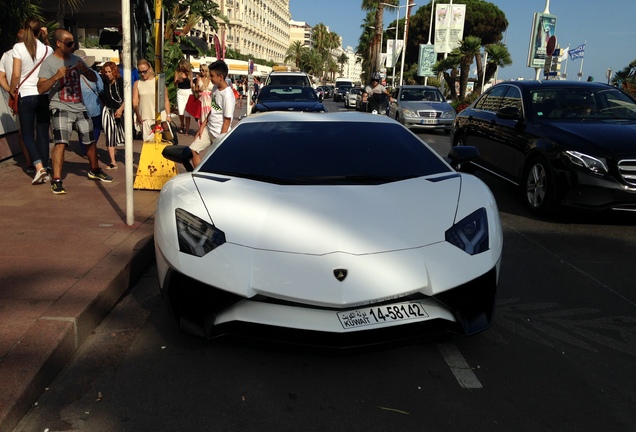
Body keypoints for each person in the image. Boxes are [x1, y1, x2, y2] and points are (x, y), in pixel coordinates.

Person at [37, 28, 113, 195]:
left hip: (79, 106)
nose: (73, 46)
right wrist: (56, 77)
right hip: (60, 106)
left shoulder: (76, 59)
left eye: (73, 43)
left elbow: (94, 78)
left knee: (89, 141)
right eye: (69, 43)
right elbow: (41, 88)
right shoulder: (49, 63)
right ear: (58, 43)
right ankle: (56, 179)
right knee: (61, 142)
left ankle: (94, 169)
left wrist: (85, 70)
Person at [9, 18, 53, 185]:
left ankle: (39, 167)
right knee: (42, 133)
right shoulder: (47, 49)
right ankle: (46, 167)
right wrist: (45, 37)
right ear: (39, 31)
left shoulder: (18, 48)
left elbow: (15, 74)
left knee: (27, 134)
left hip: (26, 95)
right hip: (43, 94)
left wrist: (13, 92)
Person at [190, 60, 235, 168]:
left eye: (212, 76)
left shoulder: (228, 96)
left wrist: (220, 140)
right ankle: (200, 176)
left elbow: (227, 121)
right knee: (193, 149)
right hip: (208, 129)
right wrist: (202, 126)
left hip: (219, 134)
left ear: (221, 77)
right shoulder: (215, 88)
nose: (210, 78)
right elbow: (213, 109)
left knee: (214, 163)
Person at [0, 28, 33, 171]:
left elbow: (2, 77)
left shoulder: (6, 55)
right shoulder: (35, 52)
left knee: (23, 131)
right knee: (37, 130)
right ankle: (40, 161)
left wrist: (11, 91)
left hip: (18, 96)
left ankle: (29, 162)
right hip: (36, 95)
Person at [133, 59, 171, 141]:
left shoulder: (159, 82)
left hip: (160, 117)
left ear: (150, 69)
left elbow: (166, 100)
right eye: (140, 72)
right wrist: (138, 115)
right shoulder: (137, 83)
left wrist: (168, 115)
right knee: (147, 143)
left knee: (161, 143)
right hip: (145, 117)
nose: (142, 74)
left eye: (144, 71)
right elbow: (135, 101)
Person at [76, 50, 103, 155]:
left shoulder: (72, 76)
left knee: (81, 130)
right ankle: (91, 148)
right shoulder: (94, 74)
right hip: (94, 107)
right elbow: (100, 89)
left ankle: (84, 150)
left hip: (79, 107)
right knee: (95, 128)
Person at [100, 61, 125, 169]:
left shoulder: (120, 81)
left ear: (114, 71)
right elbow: (101, 95)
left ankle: (129, 156)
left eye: (109, 71)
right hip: (108, 111)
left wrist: (121, 109)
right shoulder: (104, 82)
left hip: (121, 110)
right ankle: (112, 161)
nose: (107, 74)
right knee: (109, 134)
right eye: (105, 72)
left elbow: (127, 97)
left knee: (125, 134)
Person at [174, 58, 193, 134]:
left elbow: (191, 85)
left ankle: (187, 130)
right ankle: (182, 123)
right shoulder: (177, 73)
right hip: (180, 92)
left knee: (187, 113)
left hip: (188, 92)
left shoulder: (189, 73)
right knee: (181, 111)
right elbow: (175, 84)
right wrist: (177, 80)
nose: (181, 68)